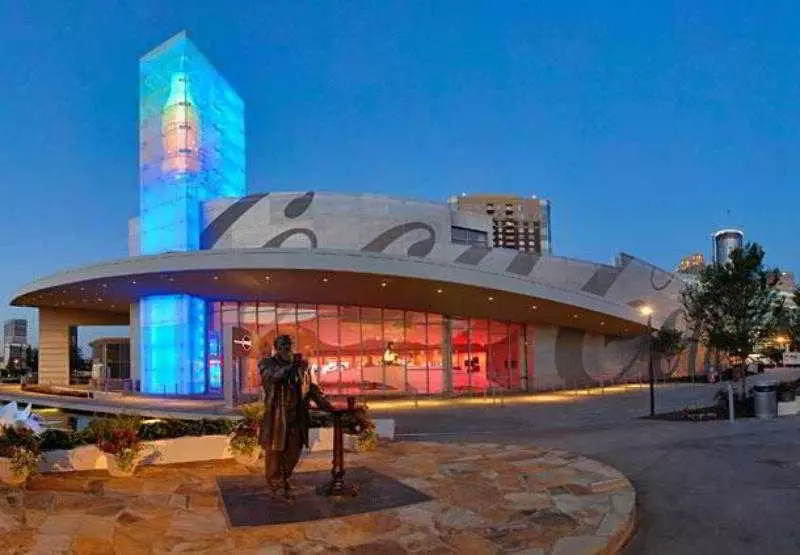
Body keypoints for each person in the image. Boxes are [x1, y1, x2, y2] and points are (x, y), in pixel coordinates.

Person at [259, 334, 333, 499]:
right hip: (278, 418)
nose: (286, 348)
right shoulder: (267, 364)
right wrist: (292, 365)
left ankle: (284, 479)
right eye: (283, 346)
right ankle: (276, 485)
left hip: (298, 416)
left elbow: (310, 387)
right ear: (276, 348)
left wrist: (327, 406)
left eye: (288, 345)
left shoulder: (300, 366)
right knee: (275, 454)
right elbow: (274, 377)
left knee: (293, 453)